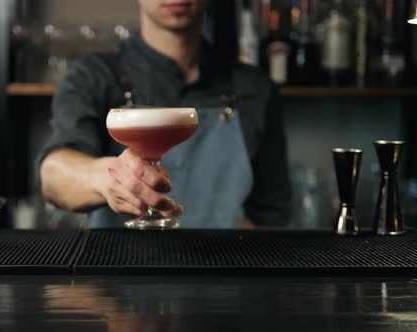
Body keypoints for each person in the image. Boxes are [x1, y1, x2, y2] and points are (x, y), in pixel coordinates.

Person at [38, 0, 291, 228]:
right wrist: (107, 178)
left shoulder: (255, 88)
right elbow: (54, 176)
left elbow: (273, 214)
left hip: (222, 270)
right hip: (118, 272)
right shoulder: (93, 76)